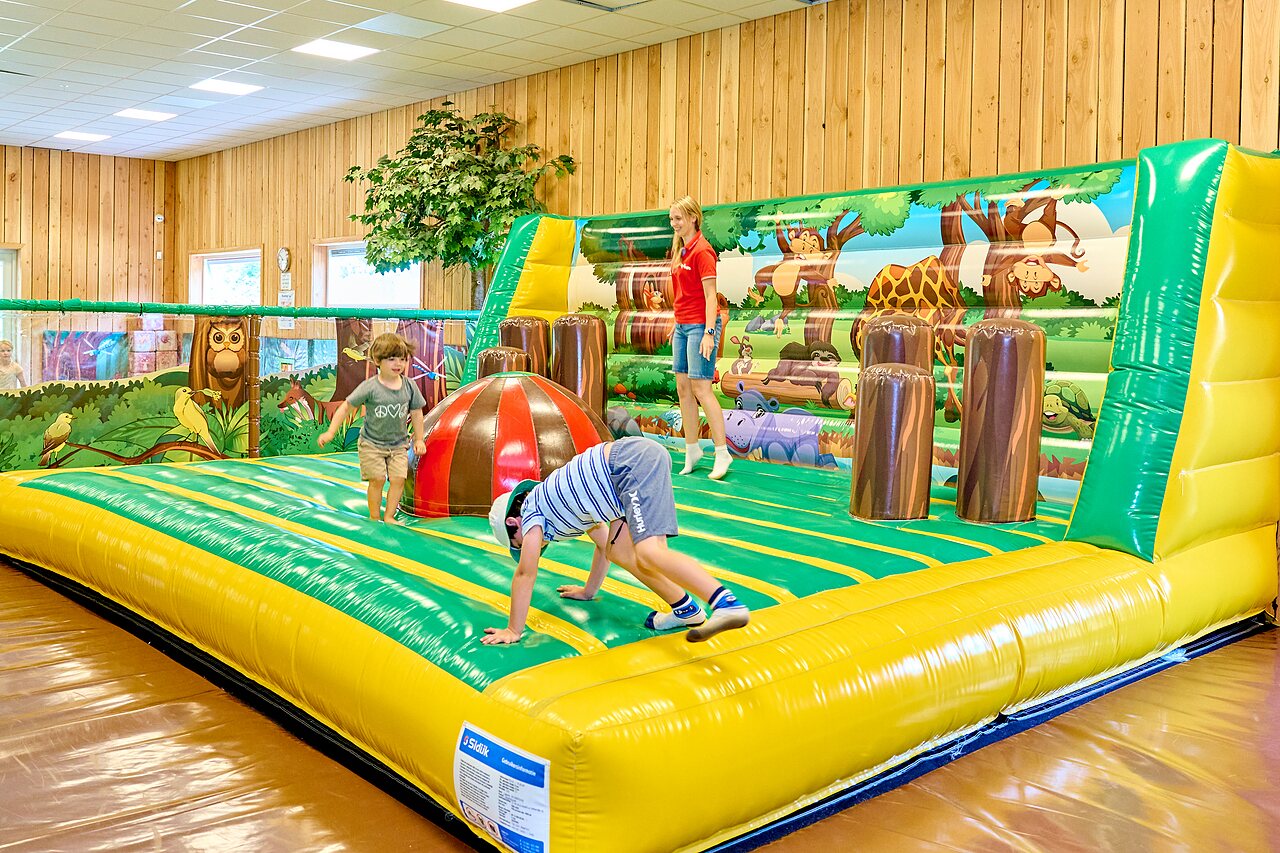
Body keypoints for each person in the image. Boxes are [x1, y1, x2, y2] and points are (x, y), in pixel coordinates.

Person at [482, 435, 750, 645]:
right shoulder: (564, 508)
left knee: (649, 552)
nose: (533, 547)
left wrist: (513, 629)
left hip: (627, 464)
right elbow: (604, 546)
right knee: (618, 550)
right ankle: (686, 609)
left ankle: (726, 604)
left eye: (518, 543)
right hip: (625, 477)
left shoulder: (532, 512)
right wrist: (589, 591)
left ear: (512, 522)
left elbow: (525, 574)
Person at [319, 332, 427, 524]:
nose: (398, 364)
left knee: (398, 479)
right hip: (371, 444)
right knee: (377, 479)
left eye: (402, 359)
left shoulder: (409, 386)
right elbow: (346, 407)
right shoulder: (370, 387)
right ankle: (374, 516)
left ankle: (389, 516)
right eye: (392, 359)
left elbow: (417, 412)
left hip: (398, 445)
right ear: (377, 360)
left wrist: (419, 439)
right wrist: (330, 431)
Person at [669, 195, 731, 480]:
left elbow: (710, 297)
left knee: (702, 389)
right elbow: (683, 294)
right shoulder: (680, 250)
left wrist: (708, 332)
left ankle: (722, 453)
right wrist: (676, 323)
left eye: (679, 219)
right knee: (683, 388)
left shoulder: (702, 251)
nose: (675, 224)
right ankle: (692, 447)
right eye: (671, 219)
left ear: (693, 218)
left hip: (700, 326)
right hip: (682, 326)